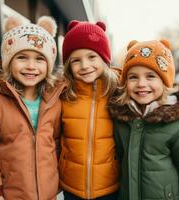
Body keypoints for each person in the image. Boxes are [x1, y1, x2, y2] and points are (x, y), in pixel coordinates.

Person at [0, 16, 63, 200]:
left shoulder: (54, 102)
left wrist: (57, 181)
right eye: (22, 57)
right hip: (9, 195)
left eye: (39, 59)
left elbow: (58, 143)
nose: (31, 66)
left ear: (49, 65)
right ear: (8, 62)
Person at [109, 39, 179, 200]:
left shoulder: (178, 125)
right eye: (133, 77)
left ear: (165, 82)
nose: (141, 84)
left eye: (150, 76)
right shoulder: (121, 120)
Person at [59, 20, 120, 200]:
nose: (85, 65)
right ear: (68, 65)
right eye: (76, 60)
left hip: (109, 187)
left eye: (92, 57)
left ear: (104, 58)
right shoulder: (63, 95)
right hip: (72, 188)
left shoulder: (118, 93)